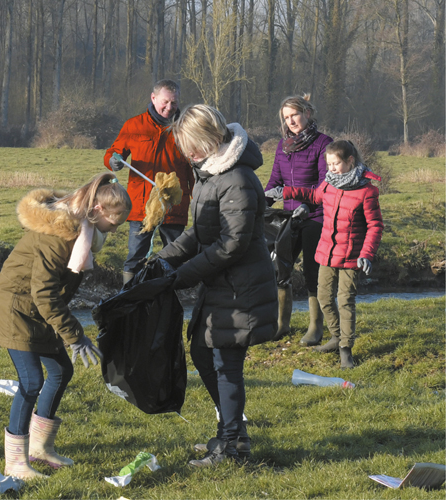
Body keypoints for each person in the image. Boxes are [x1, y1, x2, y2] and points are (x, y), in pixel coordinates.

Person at [0, 172, 131, 480]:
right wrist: (75, 336)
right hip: (15, 309)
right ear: (99, 211)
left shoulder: (82, 232)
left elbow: (51, 295)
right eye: (115, 224)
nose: (114, 231)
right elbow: (45, 293)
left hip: (37, 310)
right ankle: (15, 463)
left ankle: (40, 448)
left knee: (62, 371)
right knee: (31, 381)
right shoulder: (58, 236)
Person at [155, 104, 277, 467]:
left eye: (191, 145)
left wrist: (181, 276)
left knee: (225, 363)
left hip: (241, 288)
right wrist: (164, 259)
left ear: (210, 139)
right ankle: (232, 434)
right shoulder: (211, 174)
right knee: (203, 352)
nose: (187, 153)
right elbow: (198, 232)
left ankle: (231, 446)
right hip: (222, 285)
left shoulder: (235, 178)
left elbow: (232, 244)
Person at [265, 140, 383, 369]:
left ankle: (346, 349)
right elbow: (313, 196)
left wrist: (367, 254)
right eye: (328, 164)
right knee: (323, 298)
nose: (331, 169)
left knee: (345, 300)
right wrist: (285, 192)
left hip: (351, 257)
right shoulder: (329, 185)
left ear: (350, 161)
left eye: (336, 163)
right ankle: (336, 336)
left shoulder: (367, 192)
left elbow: (375, 225)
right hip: (326, 254)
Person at [104, 79, 194, 284]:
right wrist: (113, 161)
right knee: (135, 258)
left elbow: (193, 169)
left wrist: (198, 197)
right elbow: (114, 153)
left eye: (174, 103)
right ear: (153, 98)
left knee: (176, 258)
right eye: (165, 102)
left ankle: (169, 301)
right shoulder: (134, 126)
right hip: (141, 207)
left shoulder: (186, 129)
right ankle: (128, 301)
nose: (169, 108)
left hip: (174, 206)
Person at [264, 94, 333, 346]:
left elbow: (326, 184)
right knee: (281, 268)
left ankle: (316, 326)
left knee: (313, 272)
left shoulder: (324, 143)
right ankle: (282, 323)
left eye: (294, 115)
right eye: (286, 117)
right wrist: (263, 200)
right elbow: (275, 182)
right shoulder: (283, 147)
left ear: (307, 113)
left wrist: (307, 203)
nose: (290, 121)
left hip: (316, 216)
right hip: (288, 218)